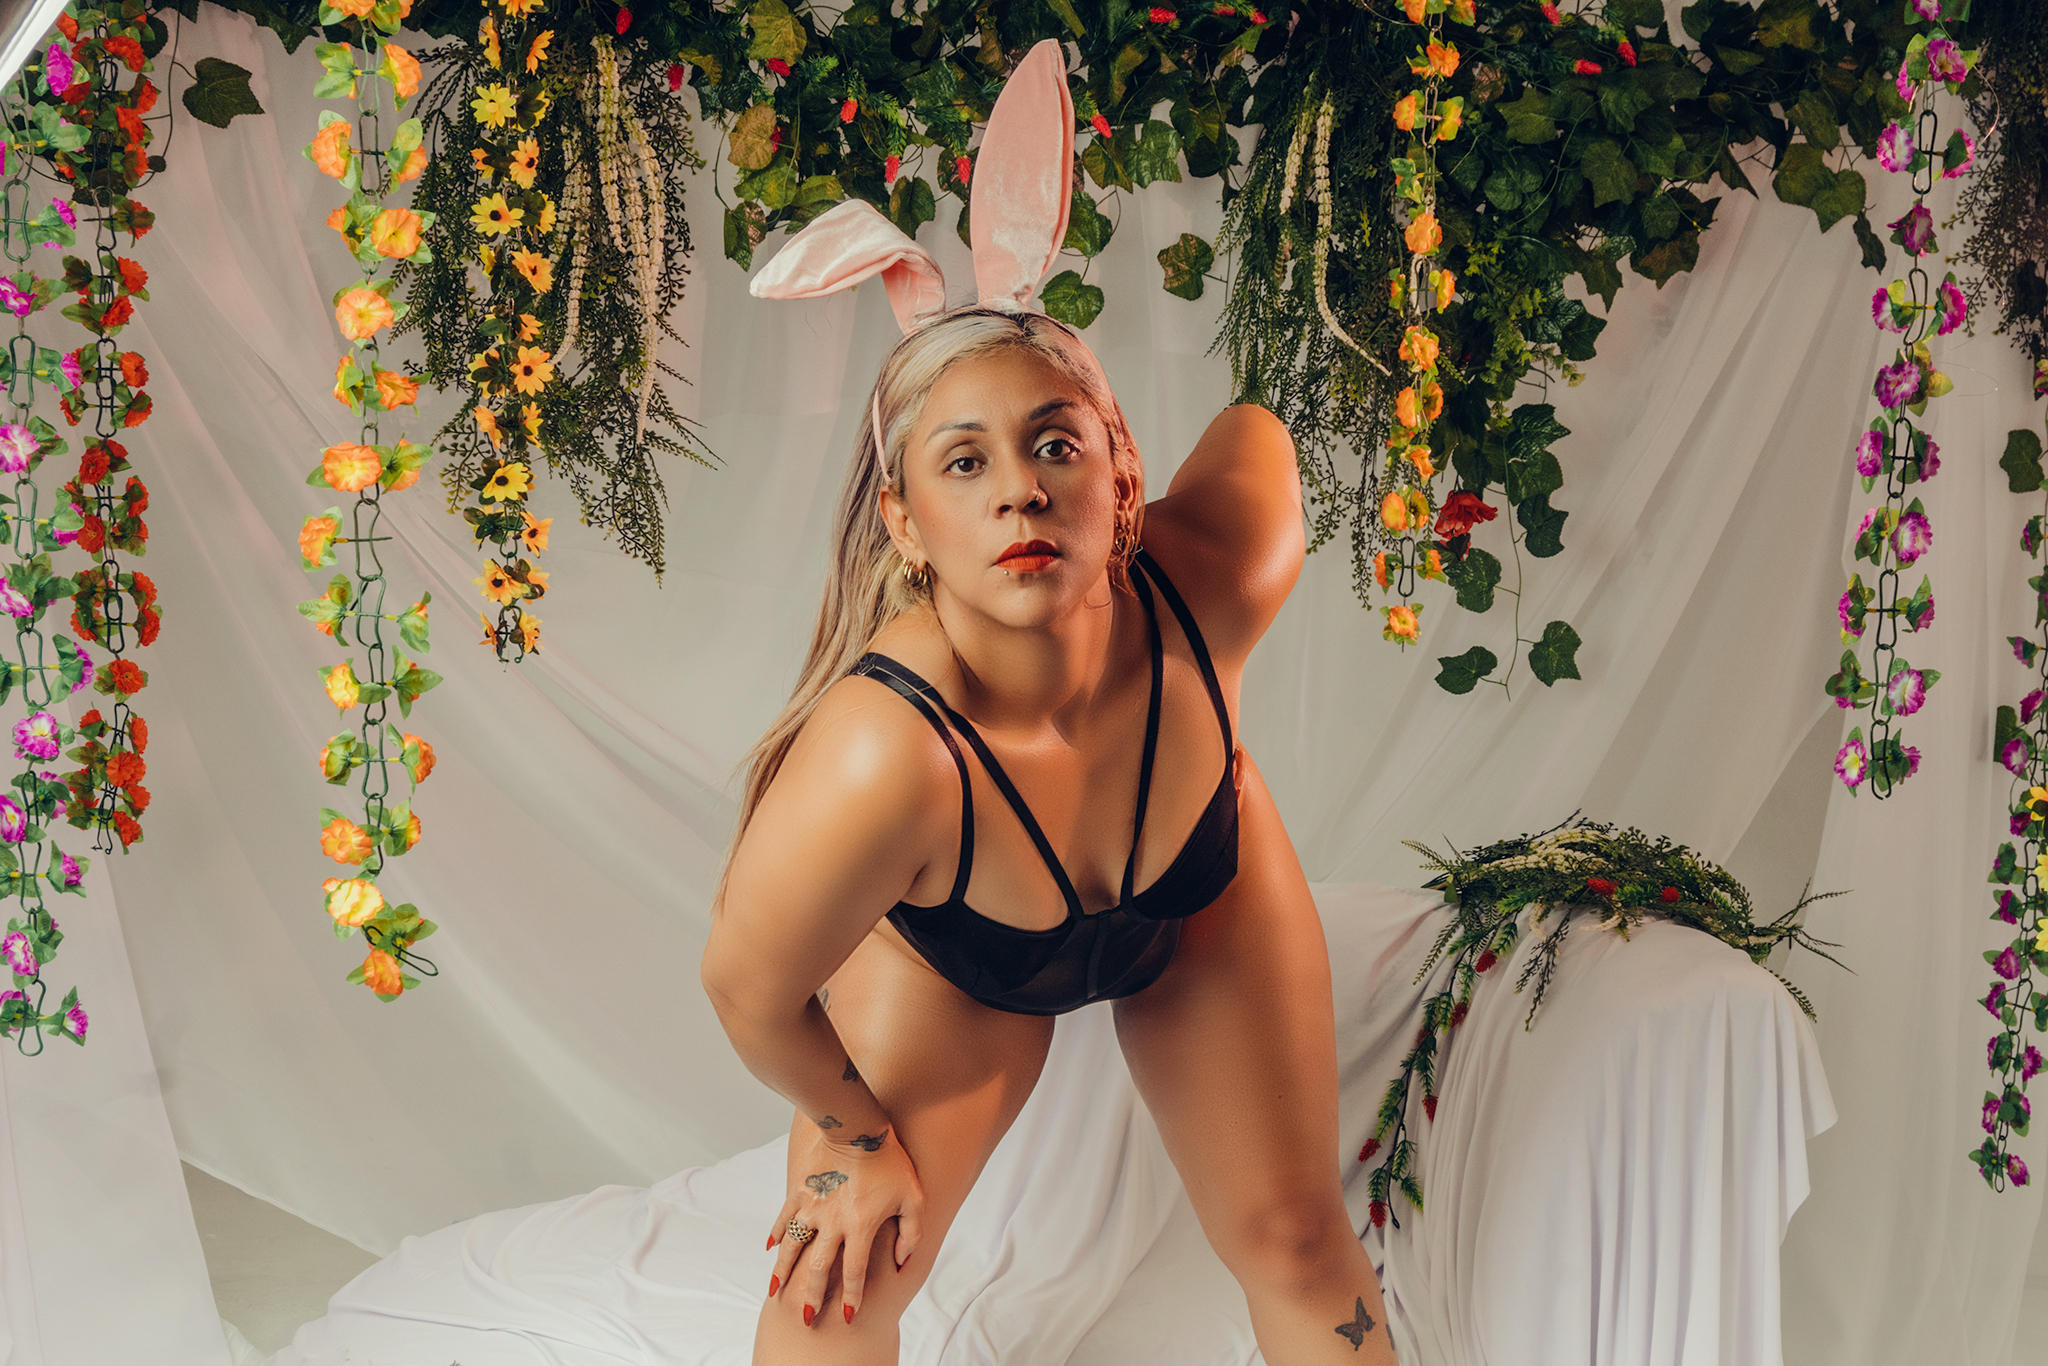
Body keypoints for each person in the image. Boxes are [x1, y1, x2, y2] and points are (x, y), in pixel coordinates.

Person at [700, 40, 1398, 1364]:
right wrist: (853, 1135)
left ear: (1120, 475)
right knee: (835, 1285)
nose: (1020, 487)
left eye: (1056, 445)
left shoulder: (1220, 574)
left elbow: (1257, 436)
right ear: (905, 522)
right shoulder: (886, 754)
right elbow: (745, 988)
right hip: (960, 959)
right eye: (963, 463)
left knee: (1300, 1241)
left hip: (1192, 894)